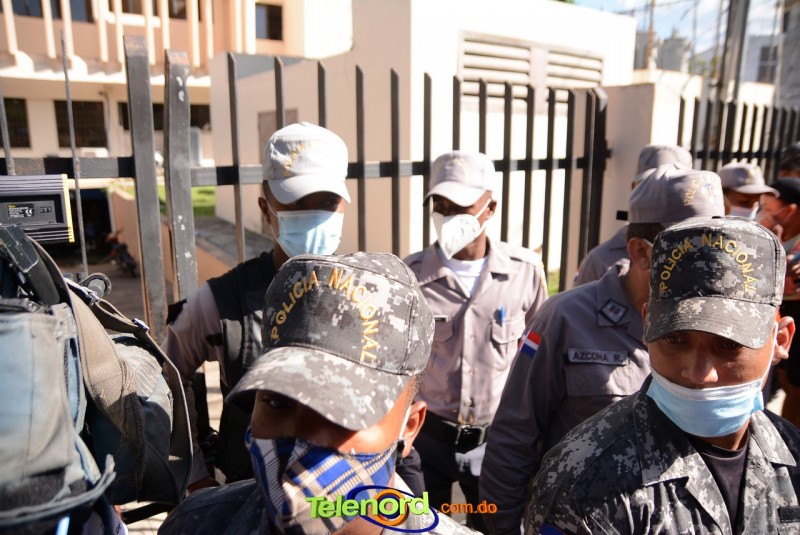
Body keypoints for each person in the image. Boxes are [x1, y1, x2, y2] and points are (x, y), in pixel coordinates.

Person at [480, 164, 726, 534]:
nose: (711, 261)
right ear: (641, 252)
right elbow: (515, 432)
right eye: (692, 248)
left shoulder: (719, 324)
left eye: (718, 245)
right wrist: (501, 527)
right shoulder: (566, 318)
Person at [159, 252, 477, 534]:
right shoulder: (194, 525)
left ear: (409, 428)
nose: (303, 441)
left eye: (345, 412)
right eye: (277, 403)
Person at [524, 216, 800, 534]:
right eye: (675, 339)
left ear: (780, 340)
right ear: (647, 327)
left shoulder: (792, 456)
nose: (699, 374)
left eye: (729, 345)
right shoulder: (584, 482)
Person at [162, 122, 351, 489]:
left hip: (341, 493)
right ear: (266, 209)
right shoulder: (223, 301)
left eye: (327, 202)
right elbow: (167, 378)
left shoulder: (365, 290)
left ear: (344, 204)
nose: (314, 215)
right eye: (297, 204)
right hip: (250, 494)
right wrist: (195, 475)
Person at [403, 150, 548, 532]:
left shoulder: (524, 273)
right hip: (427, 441)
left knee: (493, 526)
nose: (448, 216)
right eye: (441, 206)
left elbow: (537, 358)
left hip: (495, 444)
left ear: (490, 208)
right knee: (427, 527)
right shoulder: (410, 276)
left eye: (461, 207)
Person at [574, 144, 693, 286]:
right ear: (633, 188)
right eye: (649, 186)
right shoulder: (599, 261)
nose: (660, 196)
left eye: (673, 188)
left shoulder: (702, 255)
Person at [756, 176, 800, 428]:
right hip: (780, 321)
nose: (765, 212)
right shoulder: (778, 236)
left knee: (795, 389)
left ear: (790, 210)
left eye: (770, 207)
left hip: (794, 324)